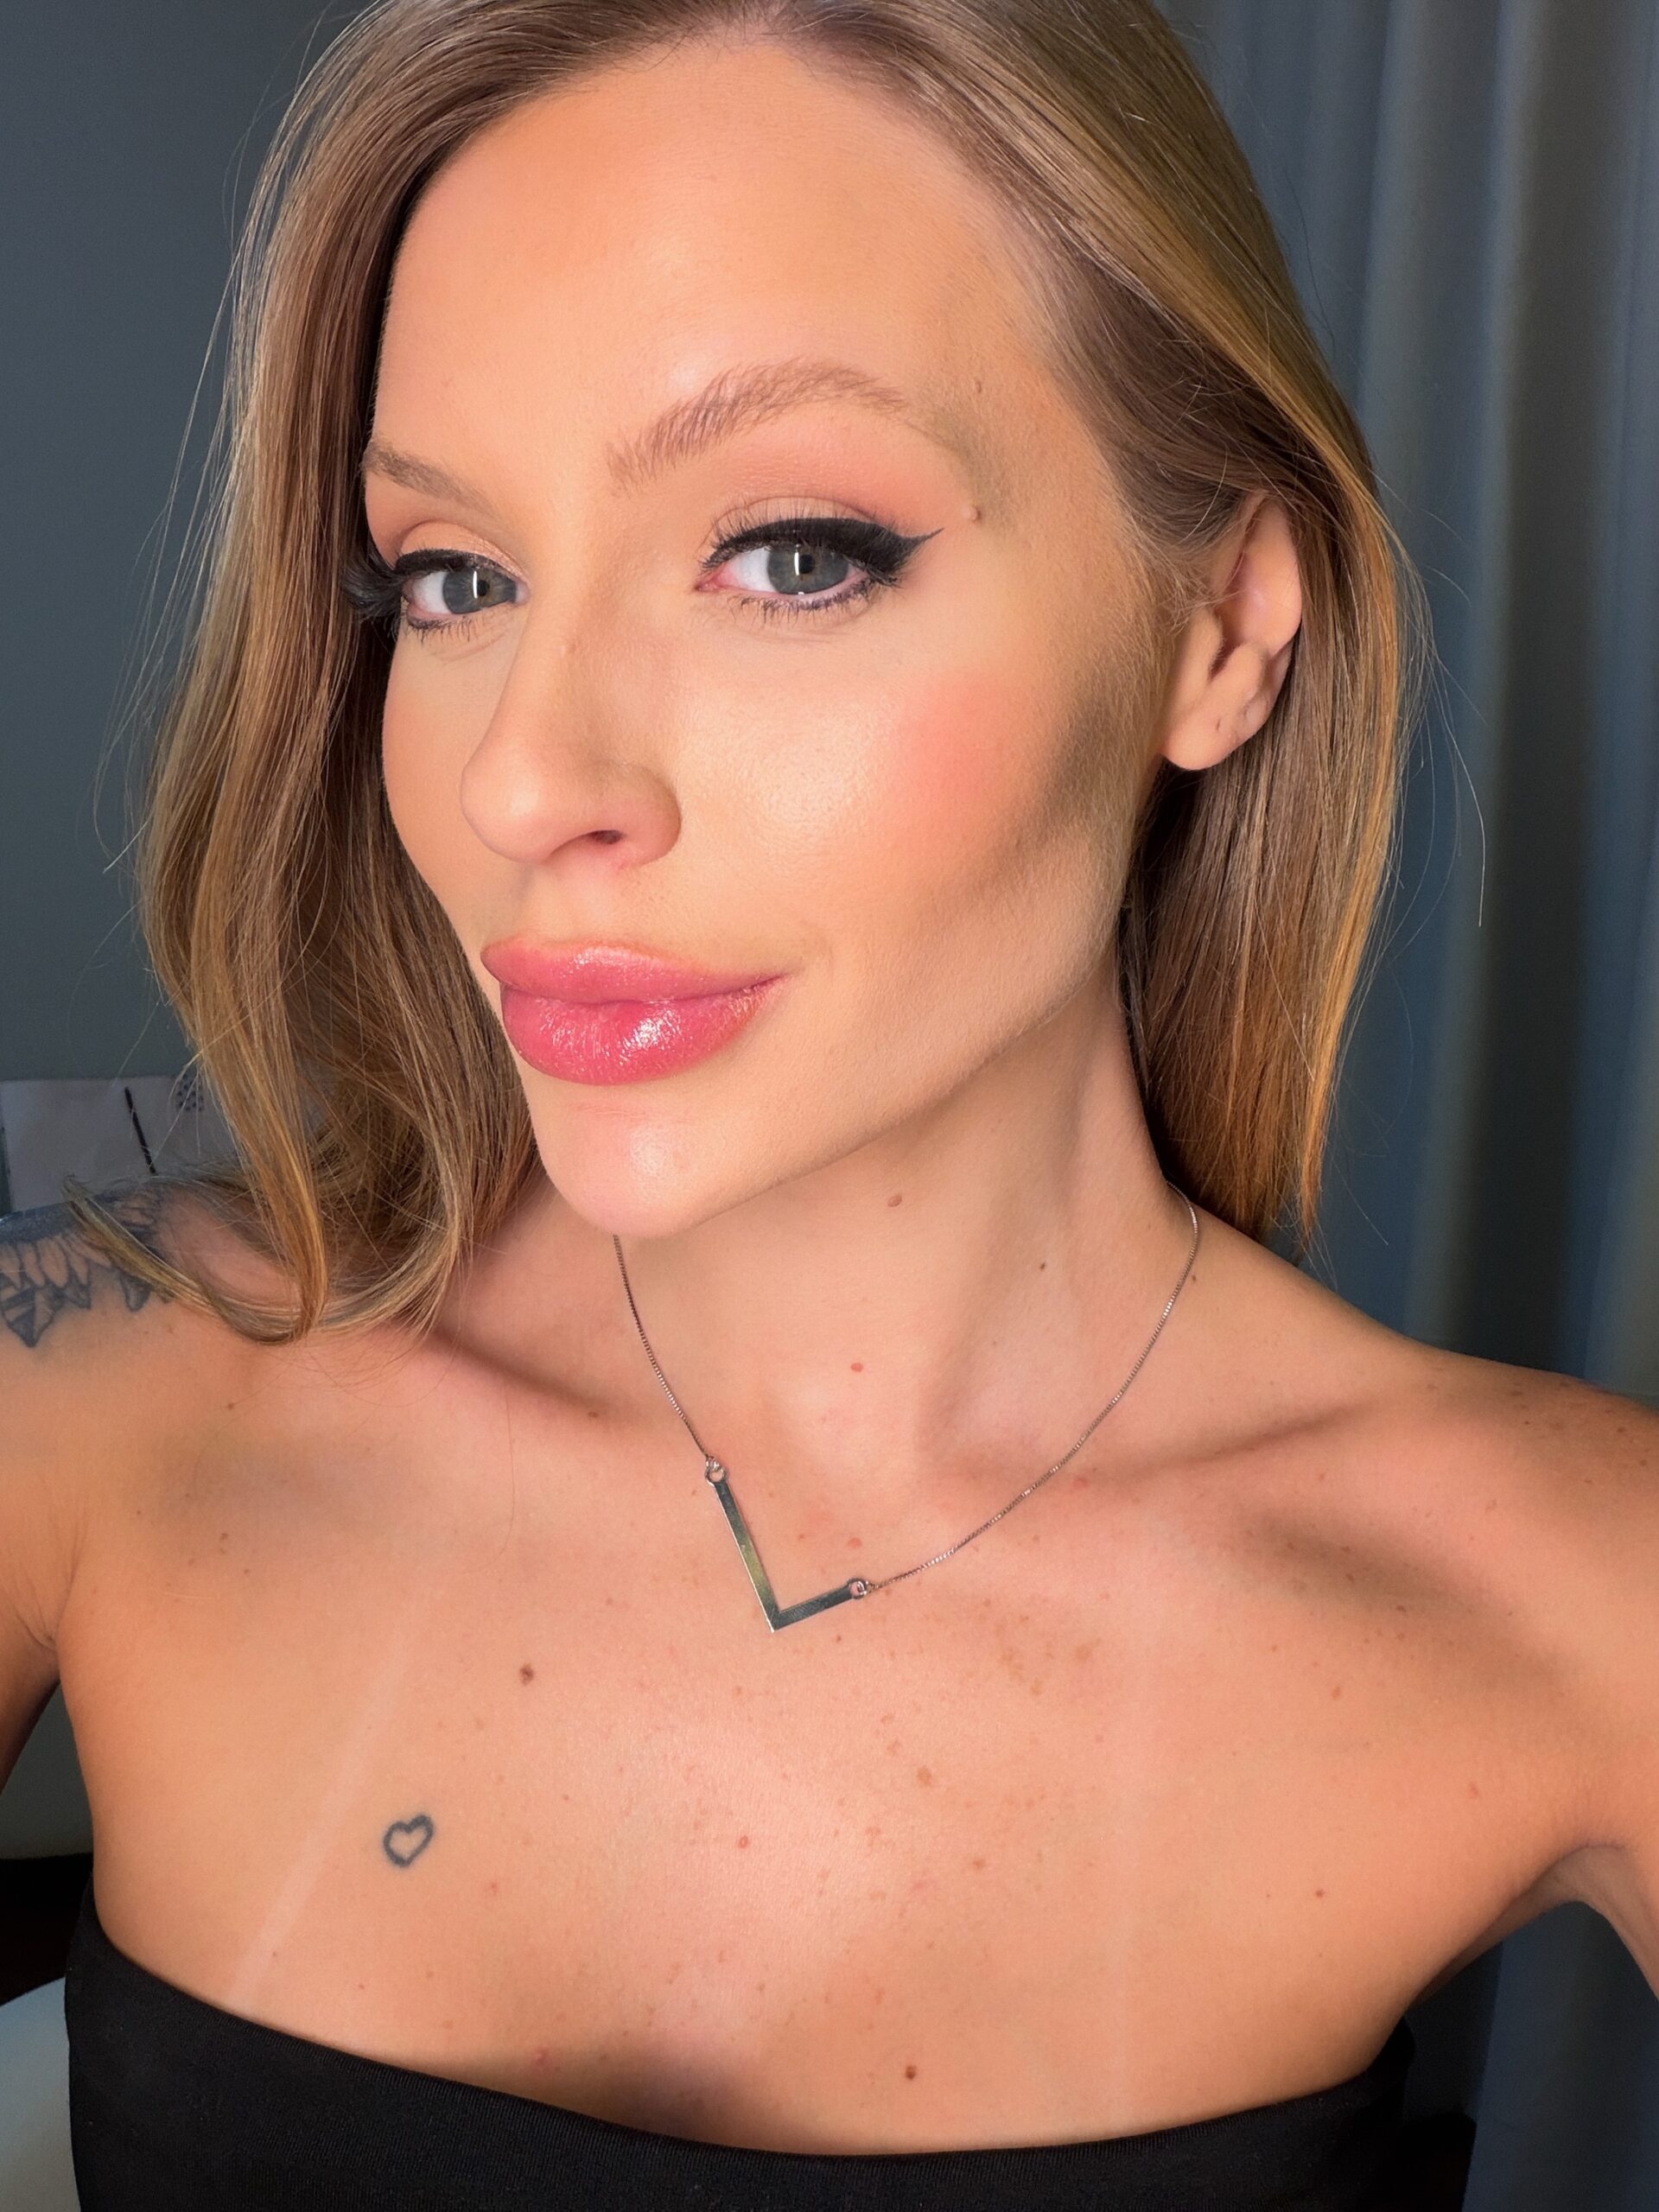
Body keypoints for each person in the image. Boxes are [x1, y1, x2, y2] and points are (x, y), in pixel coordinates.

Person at [3, 1, 1656, 2205]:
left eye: (792, 552)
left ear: (1220, 630)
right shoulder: (94, 1401)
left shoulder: (1578, 1598)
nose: (523, 780)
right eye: (454, 578)